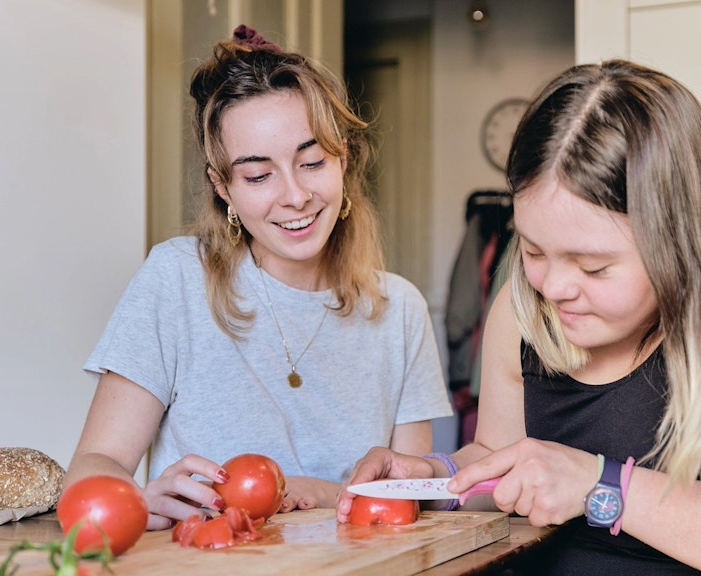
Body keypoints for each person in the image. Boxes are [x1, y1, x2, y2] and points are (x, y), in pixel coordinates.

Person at [338, 59, 701, 574]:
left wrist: (601, 484)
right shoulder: (524, 305)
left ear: (678, 237)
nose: (553, 287)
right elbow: (501, 458)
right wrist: (433, 480)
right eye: (533, 250)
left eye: (593, 266)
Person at [65, 25, 453, 531]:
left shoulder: (400, 309)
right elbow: (92, 469)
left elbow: (407, 500)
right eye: (258, 175)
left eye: (311, 161)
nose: (295, 196)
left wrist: (318, 493)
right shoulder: (176, 279)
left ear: (342, 158)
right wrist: (137, 500)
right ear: (222, 186)